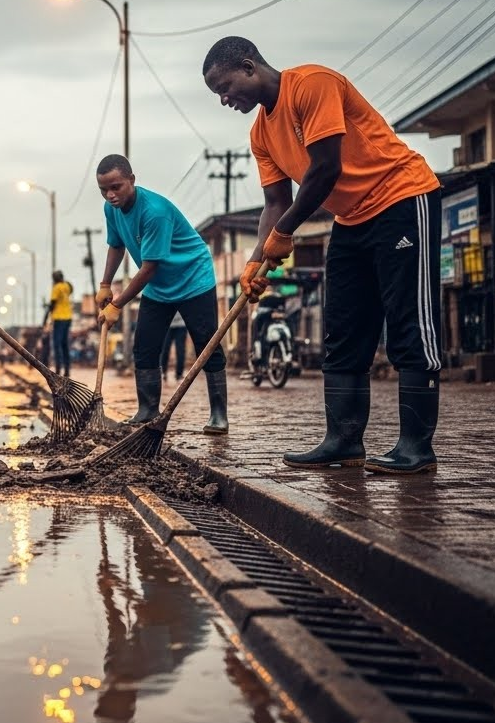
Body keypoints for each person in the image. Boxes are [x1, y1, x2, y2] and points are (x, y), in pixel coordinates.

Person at [202, 36, 443, 474]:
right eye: (217, 93)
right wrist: (256, 260)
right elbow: (275, 203)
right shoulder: (260, 134)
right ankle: (343, 441)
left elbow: (325, 168)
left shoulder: (312, 84)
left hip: (402, 198)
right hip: (350, 220)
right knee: (343, 330)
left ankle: (415, 447)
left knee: (409, 322)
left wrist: (285, 232)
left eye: (225, 86)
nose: (224, 99)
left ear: (249, 65)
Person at [94, 154, 228, 433]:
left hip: (193, 279)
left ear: (132, 180)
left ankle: (219, 414)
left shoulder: (154, 212)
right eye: (104, 190)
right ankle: (147, 410)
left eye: (116, 187)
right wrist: (105, 284)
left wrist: (117, 304)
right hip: (158, 287)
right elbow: (116, 246)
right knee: (144, 346)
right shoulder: (112, 210)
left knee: (207, 344)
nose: (110, 195)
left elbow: (148, 268)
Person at [48, 271, 74, 377]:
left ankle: (58, 369)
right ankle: (67, 370)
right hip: (68, 318)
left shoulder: (56, 287)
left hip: (59, 318)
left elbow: (53, 304)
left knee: (57, 344)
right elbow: (71, 289)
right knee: (65, 345)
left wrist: (48, 312)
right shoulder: (67, 286)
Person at [162, 312, 187, 383]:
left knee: (180, 350)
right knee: (165, 349)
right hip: (166, 324)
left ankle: (179, 375)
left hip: (181, 325)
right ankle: (163, 372)